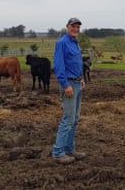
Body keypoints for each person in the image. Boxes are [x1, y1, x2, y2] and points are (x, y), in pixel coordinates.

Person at [52, 17, 87, 164]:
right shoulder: (62, 43)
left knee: (75, 119)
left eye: (78, 27)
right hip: (69, 85)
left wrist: (82, 78)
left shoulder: (75, 43)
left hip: (77, 82)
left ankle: (70, 149)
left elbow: (77, 63)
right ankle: (58, 152)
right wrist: (66, 85)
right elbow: (58, 66)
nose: (76, 29)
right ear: (67, 27)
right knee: (68, 119)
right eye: (73, 26)